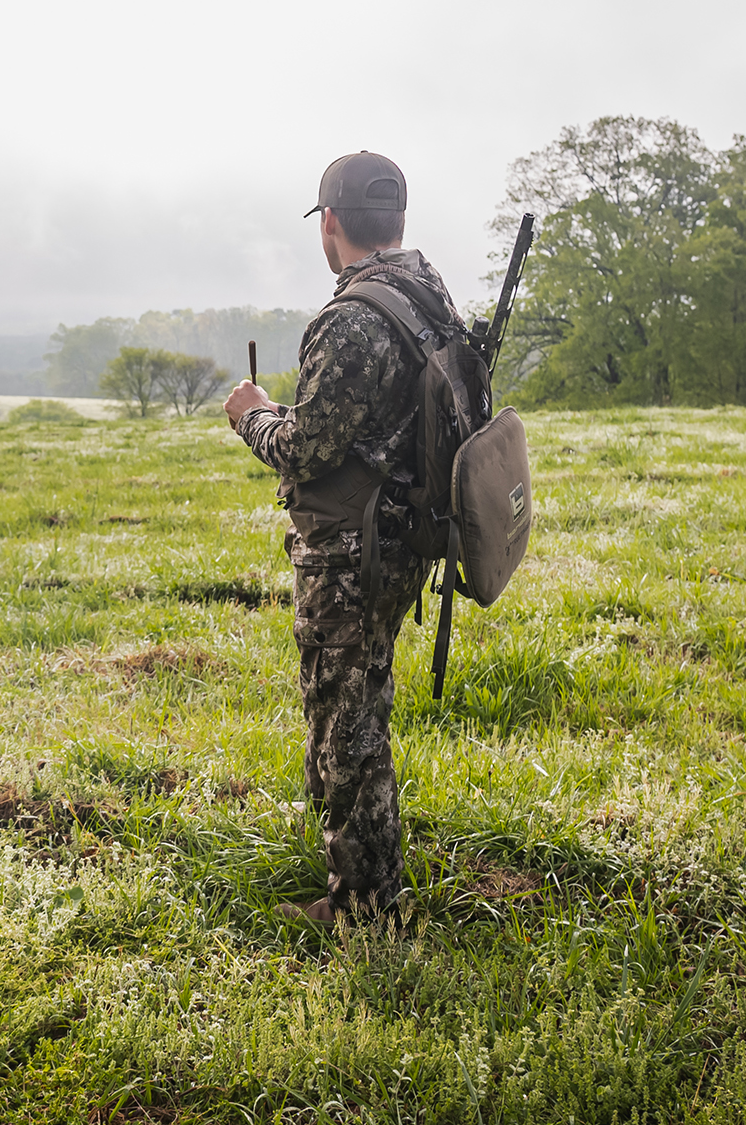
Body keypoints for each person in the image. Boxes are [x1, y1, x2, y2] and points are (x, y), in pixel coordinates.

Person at [222, 151, 466, 926]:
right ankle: (364, 867)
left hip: (352, 554)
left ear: (330, 223)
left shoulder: (352, 318)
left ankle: (365, 907)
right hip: (403, 536)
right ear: (397, 221)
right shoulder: (425, 288)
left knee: (348, 724)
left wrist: (252, 414)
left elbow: (307, 449)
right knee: (360, 705)